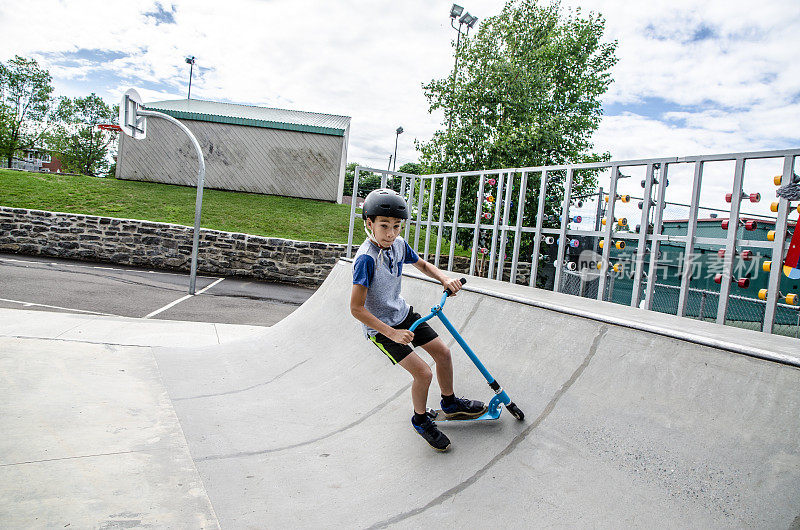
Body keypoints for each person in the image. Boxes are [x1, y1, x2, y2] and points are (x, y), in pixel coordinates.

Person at [350, 188, 487, 451]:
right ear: (369, 224)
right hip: (381, 329)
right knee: (423, 373)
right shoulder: (366, 259)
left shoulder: (399, 245)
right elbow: (356, 309)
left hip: (403, 314)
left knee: (443, 353)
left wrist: (444, 278)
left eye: (397, 226)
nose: (391, 233)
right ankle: (421, 420)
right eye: (384, 226)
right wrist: (391, 333)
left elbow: (422, 264)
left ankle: (450, 403)